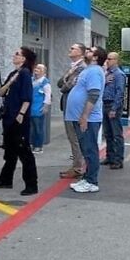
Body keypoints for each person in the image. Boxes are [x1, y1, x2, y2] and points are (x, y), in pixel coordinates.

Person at [0, 47, 38, 196]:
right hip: (8, 117)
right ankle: (5, 179)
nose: (14, 55)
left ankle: (31, 184)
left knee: (24, 151)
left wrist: (22, 113)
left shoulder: (25, 74)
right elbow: (1, 92)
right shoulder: (13, 74)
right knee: (10, 151)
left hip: (18, 117)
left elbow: (27, 97)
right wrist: (9, 82)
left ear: (23, 59)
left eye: (17, 54)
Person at [65, 45, 106, 193]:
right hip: (79, 117)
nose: (86, 52)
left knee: (90, 150)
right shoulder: (87, 70)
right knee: (85, 148)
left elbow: (93, 94)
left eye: (90, 51)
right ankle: (87, 177)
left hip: (89, 119)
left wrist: (85, 116)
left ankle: (92, 181)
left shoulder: (94, 71)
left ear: (95, 57)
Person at [57, 43, 87, 179]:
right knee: (72, 137)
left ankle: (78, 167)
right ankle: (77, 164)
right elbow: (59, 83)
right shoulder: (72, 67)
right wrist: (67, 77)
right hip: (68, 106)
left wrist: (66, 80)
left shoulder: (81, 68)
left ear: (81, 52)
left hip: (75, 107)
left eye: (73, 48)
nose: (70, 50)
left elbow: (66, 87)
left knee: (75, 137)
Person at [102, 51, 126, 169]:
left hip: (112, 105)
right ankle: (110, 156)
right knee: (108, 133)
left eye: (110, 59)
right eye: (107, 58)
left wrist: (114, 108)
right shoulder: (106, 74)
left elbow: (120, 93)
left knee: (116, 134)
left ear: (116, 60)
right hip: (104, 103)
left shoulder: (118, 74)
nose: (107, 61)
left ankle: (118, 159)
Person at [30, 63, 52, 153]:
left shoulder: (45, 82)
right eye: (36, 68)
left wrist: (46, 107)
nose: (36, 70)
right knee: (32, 128)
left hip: (38, 108)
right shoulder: (32, 80)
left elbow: (48, 95)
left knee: (38, 128)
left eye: (39, 69)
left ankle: (39, 146)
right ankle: (33, 144)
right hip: (30, 108)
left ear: (43, 72)